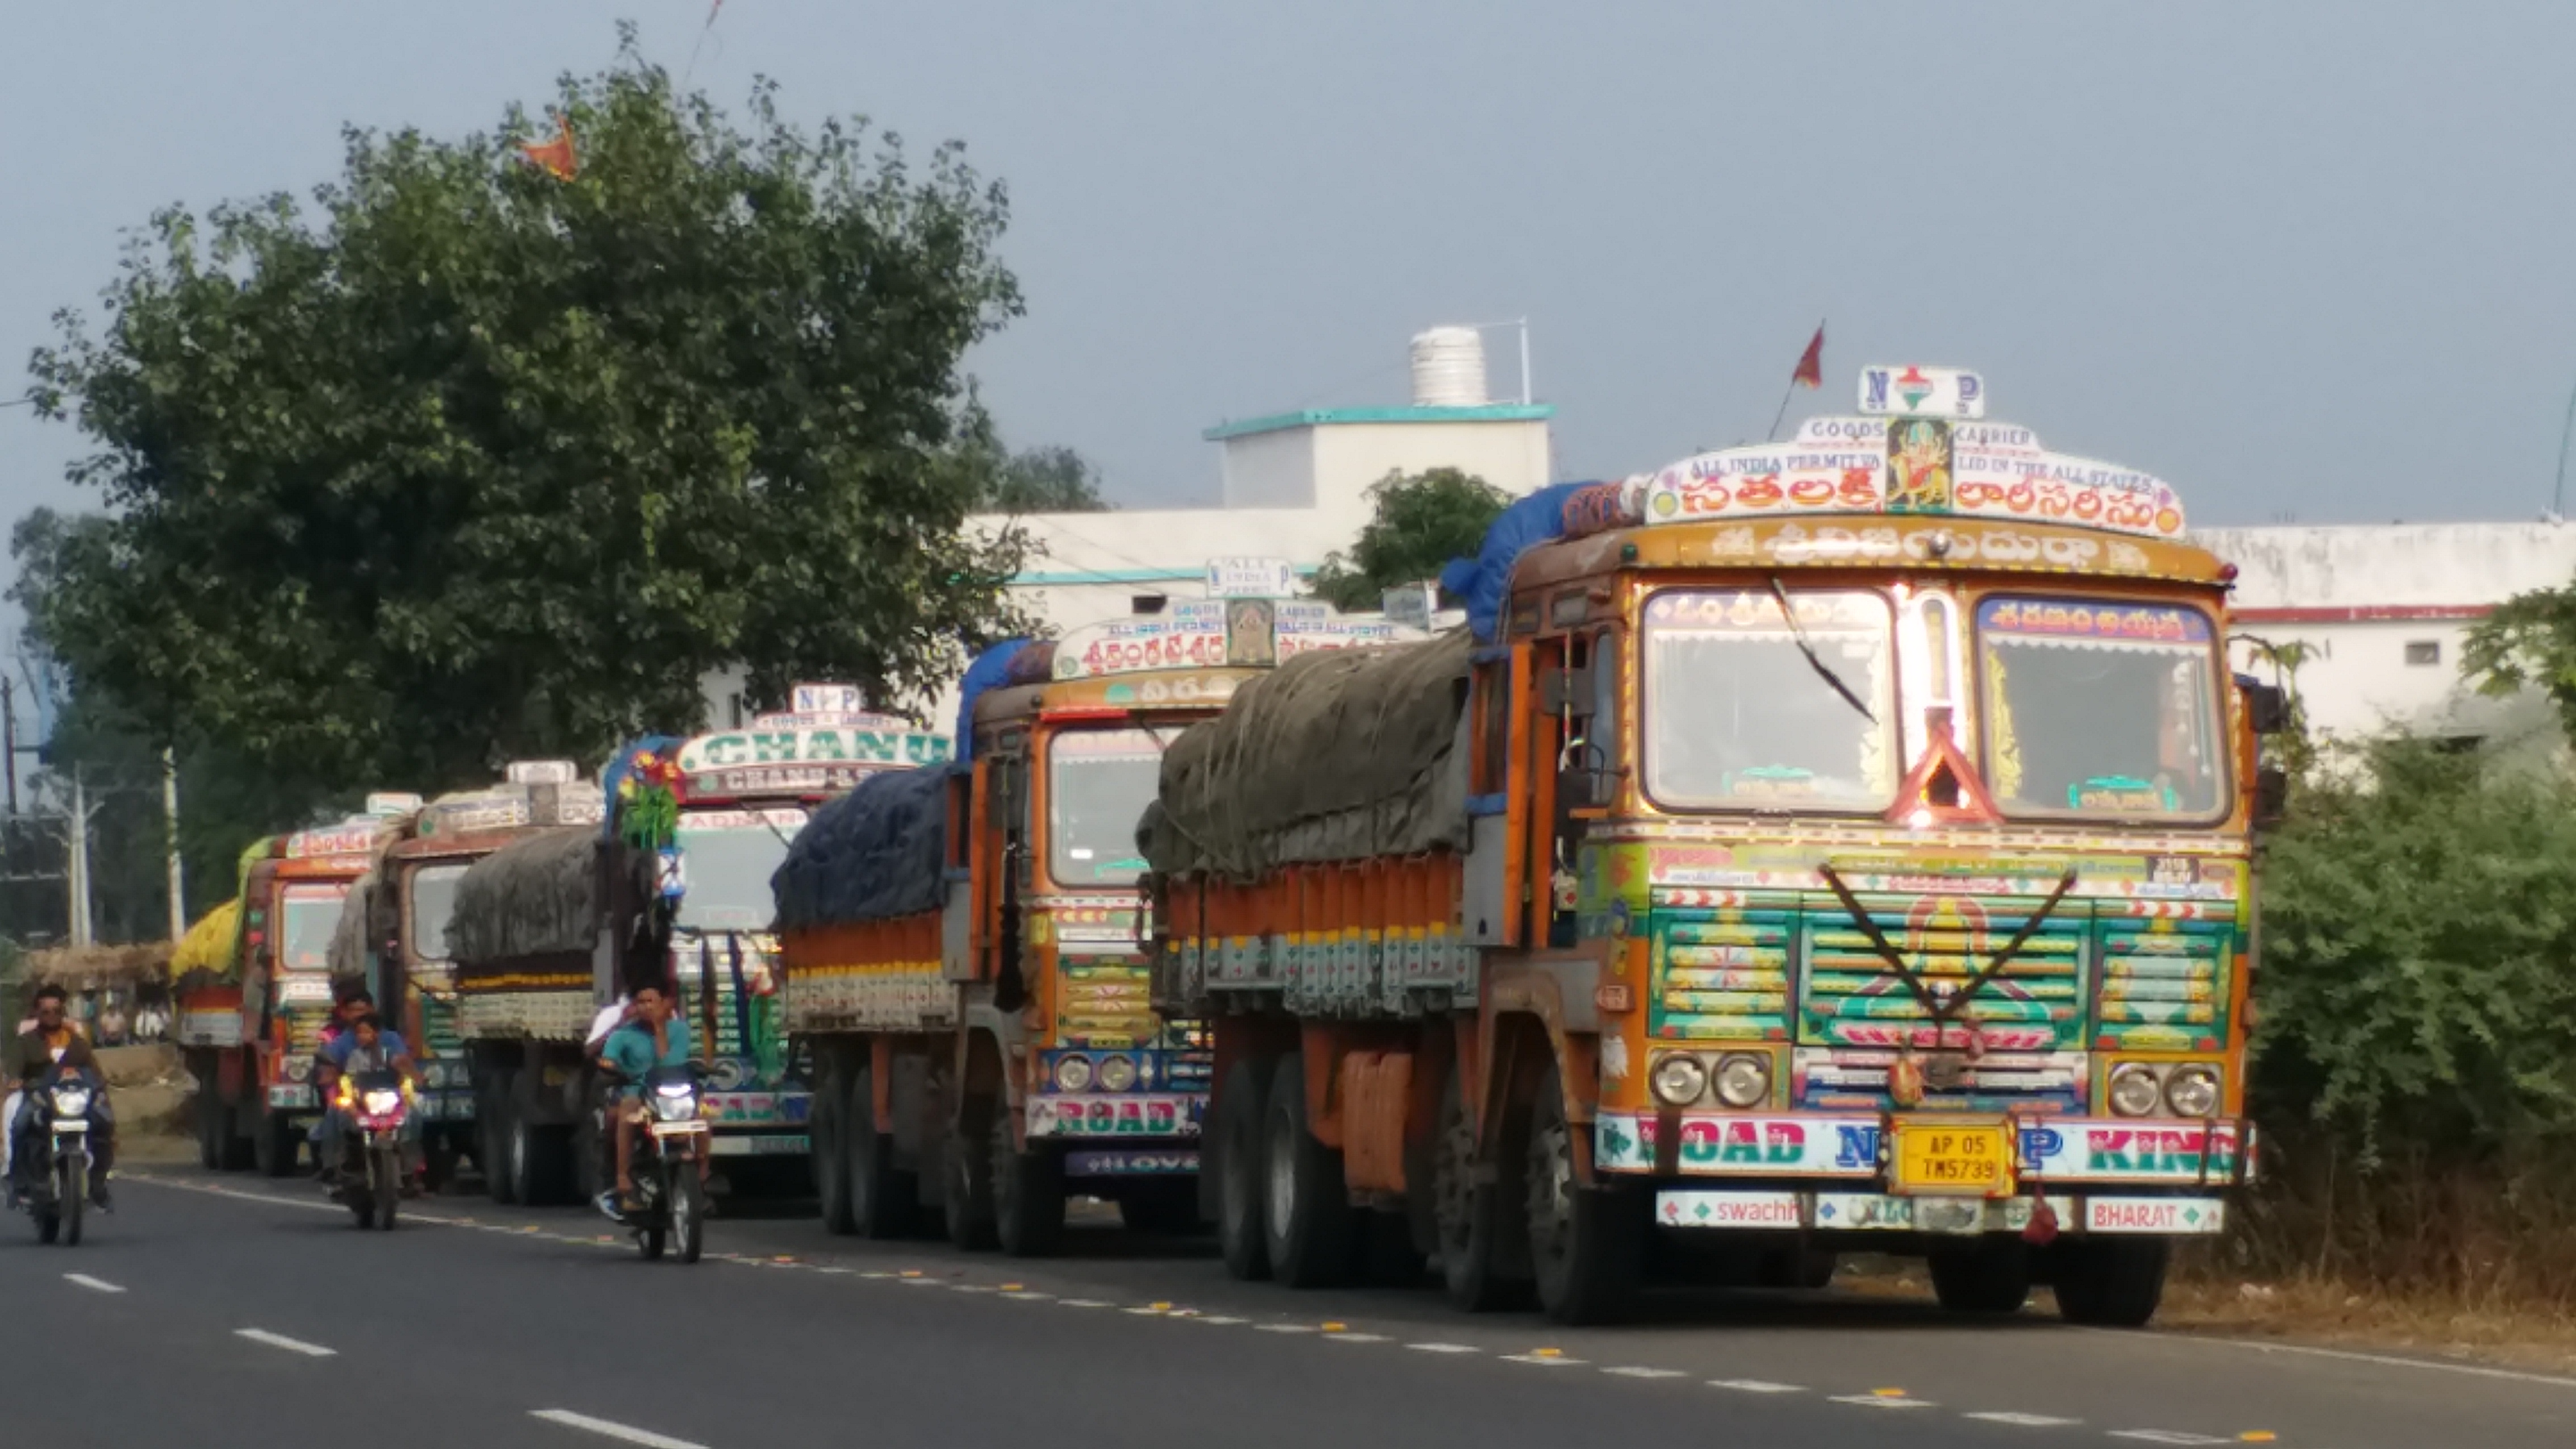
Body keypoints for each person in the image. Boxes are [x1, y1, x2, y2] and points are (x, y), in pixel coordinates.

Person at [6, 984, 115, 1212]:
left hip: (73, 1098)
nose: (52, 1016)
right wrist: (15, 1079)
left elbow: (93, 1069)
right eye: (46, 1012)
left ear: (62, 1012)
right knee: (19, 1125)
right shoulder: (26, 1042)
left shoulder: (75, 1041)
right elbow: (14, 1065)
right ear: (37, 1014)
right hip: (40, 1097)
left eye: (56, 1011)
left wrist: (100, 1086)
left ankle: (98, 1185)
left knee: (105, 1123)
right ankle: (20, 1184)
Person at [600, 984, 697, 1213]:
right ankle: (623, 1177)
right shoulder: (622, 1035)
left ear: (664, 1004)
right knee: (627, 1109)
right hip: (638, 1093)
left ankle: (702, 1174)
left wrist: (660, 1029)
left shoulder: (680, 1031)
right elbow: (607, 1060)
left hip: (672, 1091)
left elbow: (669, 1063)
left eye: (651, 1001)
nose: (646, 1007)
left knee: (704, 1112)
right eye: (641, 1002)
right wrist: (610, 1067)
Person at [316, 1011, 419, 1194]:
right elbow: (341, 1073)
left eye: (367, 1032)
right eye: (360, 1033)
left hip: (389, 1098)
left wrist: (416, 1077)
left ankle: (413, 1167)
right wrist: (331, 1077)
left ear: (376, 1033)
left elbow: (401, 1064)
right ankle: (333, 1168)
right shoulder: (353, 1054)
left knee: (415, 1116)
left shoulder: (390, 1047)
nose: (363, 1036)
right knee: (335, 1114)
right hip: (359, 1100)